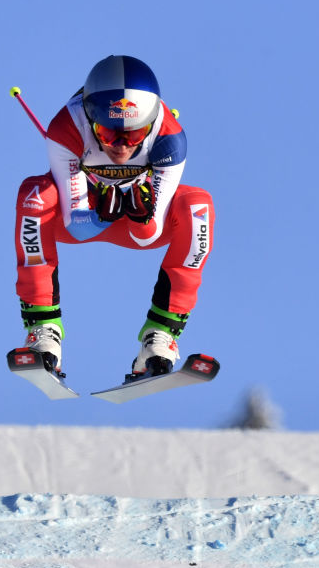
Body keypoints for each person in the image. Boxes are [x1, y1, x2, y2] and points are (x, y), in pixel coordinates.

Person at [14, 55, 214, 379]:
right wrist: (101, 214)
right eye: (107, 134)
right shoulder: (67, 127)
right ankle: (44, 331)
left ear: (150, 123)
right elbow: (76, 228)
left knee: (198, 206)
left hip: (141, 223)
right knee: (33, 196)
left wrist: (139, 214)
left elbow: (147, 235)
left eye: (134, 136)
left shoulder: (170, 139)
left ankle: (160, 338)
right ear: (91, 118)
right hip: (81, 216)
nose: (121, 146)